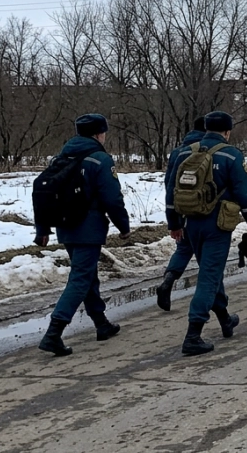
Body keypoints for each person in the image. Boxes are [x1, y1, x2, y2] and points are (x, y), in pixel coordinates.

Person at [35, 114, 131, 357]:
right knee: (80, 278)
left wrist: (43, 228)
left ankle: (101, 324)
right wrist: (124, 225)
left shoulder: (62, 157)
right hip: (89, 227)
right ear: (99, 133)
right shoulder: (100, 159)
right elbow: (112, 198)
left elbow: (43, 192)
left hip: (66, 227)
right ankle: (54, 333)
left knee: (87, 275)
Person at [166, 111, 247, 356]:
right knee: (209, 276)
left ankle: (225, 319)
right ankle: (193, 334)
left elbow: (171, 190)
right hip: (218, 225)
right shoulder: (231, 155)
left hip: (190, 223)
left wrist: (174, 223)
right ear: (227, 131)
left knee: (212, 271)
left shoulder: (185, 152)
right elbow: (244, 193)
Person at [154, 117, 207, 311]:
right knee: (208, 255)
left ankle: (168, 281)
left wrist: (174, 220)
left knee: (183, 249)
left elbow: (170, 185)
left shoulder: (177, 151)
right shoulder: (208, 149)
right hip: (202, 210)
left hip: (181, 208)